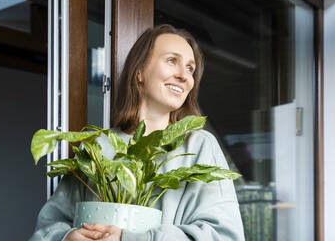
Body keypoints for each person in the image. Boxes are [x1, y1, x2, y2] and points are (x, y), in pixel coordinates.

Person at [29, 24, 245, 241]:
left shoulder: (198, 146)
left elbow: (224, 236)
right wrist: (67, 237)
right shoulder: (96, 147)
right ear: (139, 71)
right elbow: (45, 230)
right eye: (172, 60)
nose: (185, 76)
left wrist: (130, 238)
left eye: (190, 68)